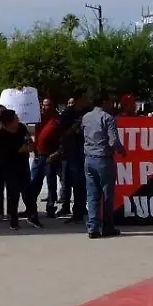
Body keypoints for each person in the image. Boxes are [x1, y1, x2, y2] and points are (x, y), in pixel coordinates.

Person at [82, 93, 126, 238]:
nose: (112, 104)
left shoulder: (86, 117)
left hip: (88, 159)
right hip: (103, 159)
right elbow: (113, 141)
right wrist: (122, 151)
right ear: (104, 101)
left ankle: (93, 227)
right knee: (107, 195)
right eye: (111, 101)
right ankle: (108, 226)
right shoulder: (107, 118)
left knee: (92, 194)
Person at [0, 109, 43, 231]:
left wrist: (30, 144)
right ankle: (13, 220)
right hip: (8, 166)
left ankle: (33, 217)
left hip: (23, 164)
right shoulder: (0, 135)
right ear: (7, 122)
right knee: (13, 194)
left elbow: (28, 141)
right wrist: (20, 149)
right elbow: (4, 153)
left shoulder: (21, 128)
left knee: (29, 193)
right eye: (15, 118)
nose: (17, 120)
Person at [54, 93, 90, 223]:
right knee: (74, 182)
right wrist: (76, 126)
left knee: (84, 183)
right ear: (78, 100)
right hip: (72, 152)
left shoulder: (88, 111)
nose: (88, 100)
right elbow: (63, 134)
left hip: (86, 151)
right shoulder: (67, 114)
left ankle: (81, 209)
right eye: (85, 98)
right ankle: (75, 211)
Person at [30, 98, 62, 218]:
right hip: (39, 155)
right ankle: (31, 207)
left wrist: (57, 153)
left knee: (51, 183)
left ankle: (51, 206)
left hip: (51, 157)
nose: (44, 107)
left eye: (47, 105)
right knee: (34, 182)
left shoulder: (57, 120)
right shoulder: (39, 119)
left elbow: (63, 139)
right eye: (43, 105)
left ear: (53, 106)